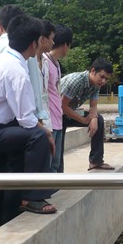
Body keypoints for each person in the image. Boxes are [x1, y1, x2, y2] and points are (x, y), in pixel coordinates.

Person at [0, 14, 57, 240]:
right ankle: (32, 196)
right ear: (34, 44)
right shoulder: (17, 71)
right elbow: (26, 119)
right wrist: (47, 133)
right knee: (36, 137)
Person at [59, 57, 115, 172]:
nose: (103, 81)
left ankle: (96, 161)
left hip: (69, 112)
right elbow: (62, 106)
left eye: (106, 79)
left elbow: (93, 106)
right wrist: (83, 120)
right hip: (56, 115)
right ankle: (56, 173)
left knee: (99, 120)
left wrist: (93, 118)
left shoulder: (96, 84)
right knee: (58, 149)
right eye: (102, 77)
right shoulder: (76, 81)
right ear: (93, 71)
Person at [43, 24, 72, 172]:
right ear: (66, 44)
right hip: (49, 122)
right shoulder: (44, 62)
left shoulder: (56, 64)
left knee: (55, 165)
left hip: (57, 120)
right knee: (48, 165)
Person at [27, 20, 55, 132]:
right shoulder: (28, 61)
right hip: (34, 121)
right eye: (51, 38)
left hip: (46, 119)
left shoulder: (46, 62)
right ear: (42, 39)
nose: (53, 42)